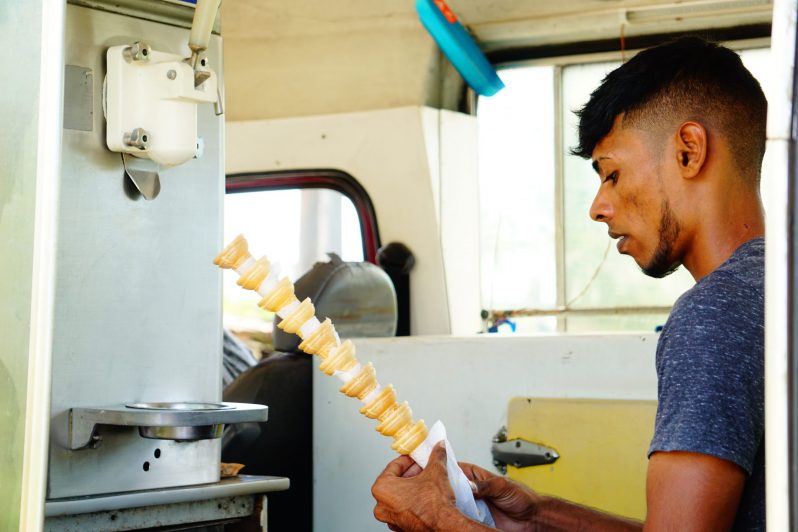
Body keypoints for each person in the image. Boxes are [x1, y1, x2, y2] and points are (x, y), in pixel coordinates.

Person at [371, 36, 766, 531]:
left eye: (612, 174)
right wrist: (537, 516)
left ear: (689, 152)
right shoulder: (772, 289)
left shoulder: (716, 312)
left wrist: (436, 520)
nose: (598, 206)